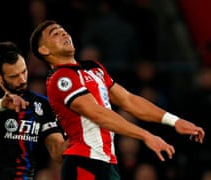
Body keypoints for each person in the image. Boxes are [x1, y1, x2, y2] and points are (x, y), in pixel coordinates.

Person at [29, 20, 205, 180]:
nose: (64, 34)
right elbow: (97, 114)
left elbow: (129, 100)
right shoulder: (60, 79)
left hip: (106, 163)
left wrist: (174, 121)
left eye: (63, 30)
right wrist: (145, 135)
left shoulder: (94, 68)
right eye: (55, 34)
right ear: (44, 50)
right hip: (84, 162)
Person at [0, 41, 66, 180]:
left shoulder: (41, 104)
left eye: (24, 71)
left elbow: (58, 153)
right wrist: (0, 105)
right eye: (14, 76)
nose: (22, 79)